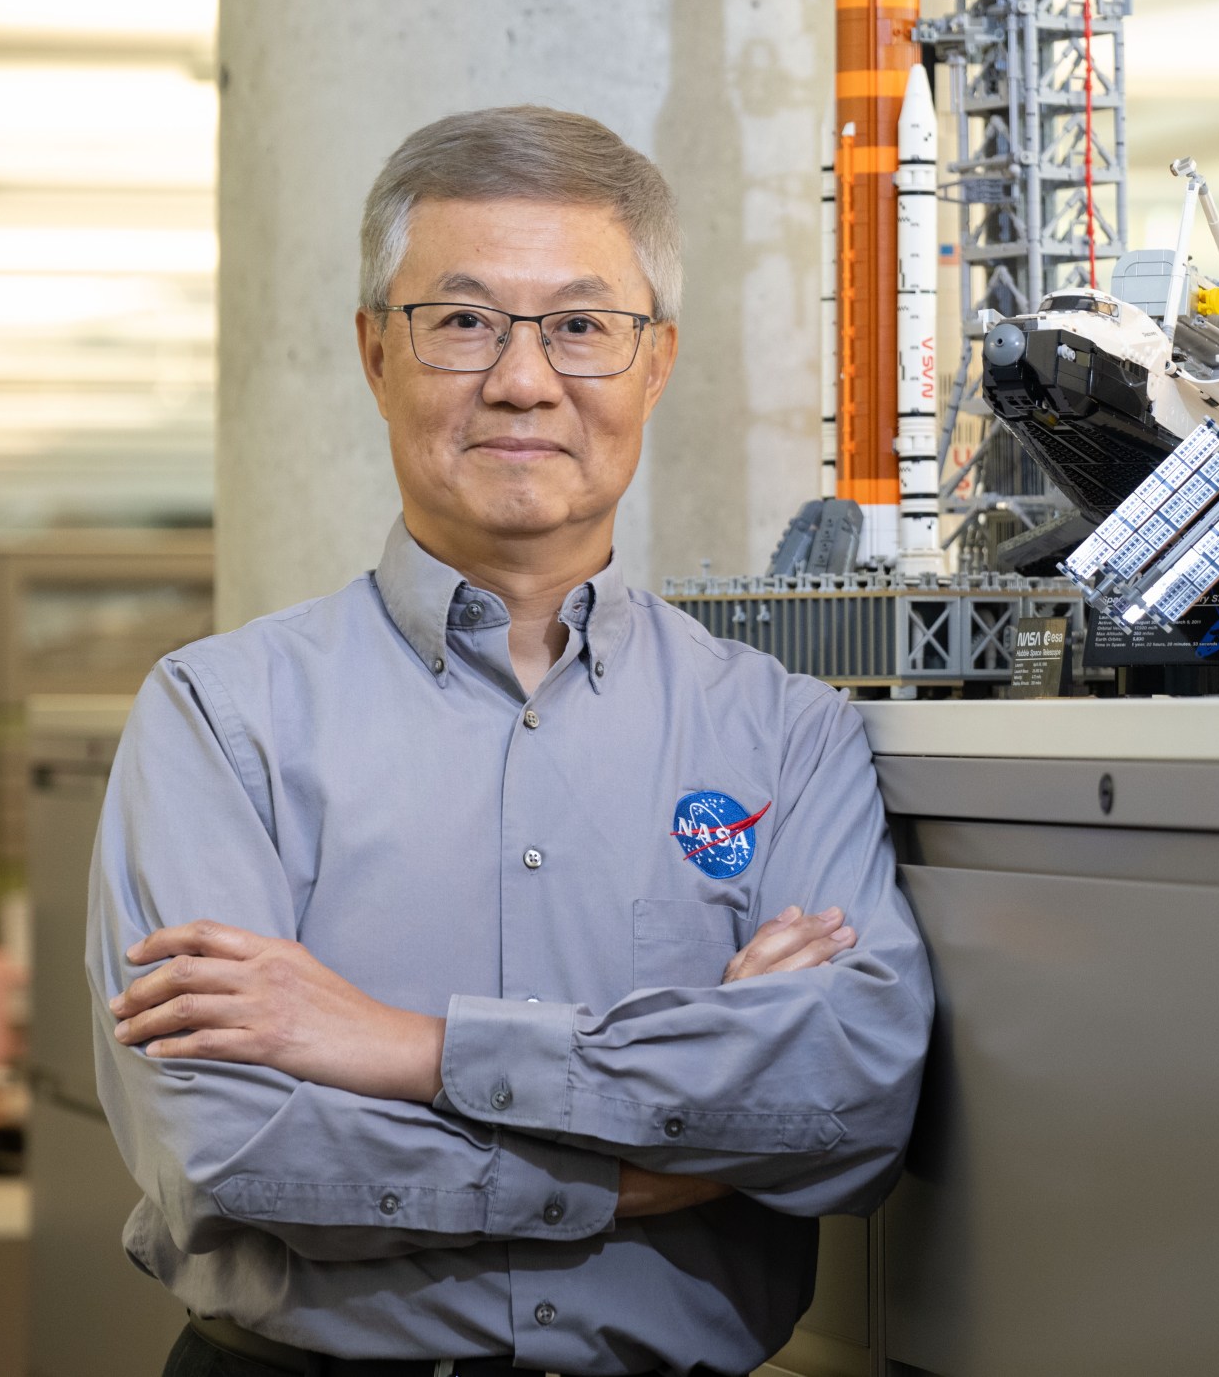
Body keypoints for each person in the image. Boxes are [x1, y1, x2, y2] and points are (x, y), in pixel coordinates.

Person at [87, 106, 934, 1377]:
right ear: (377, 354)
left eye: (582, 326)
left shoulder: (784, 732)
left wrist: (405, 1048)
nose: (523, 379)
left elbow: (852, 1100)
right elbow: (230, 1152)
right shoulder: (222, 718)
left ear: (656, 363)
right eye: (463, 320)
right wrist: (669, 1153)